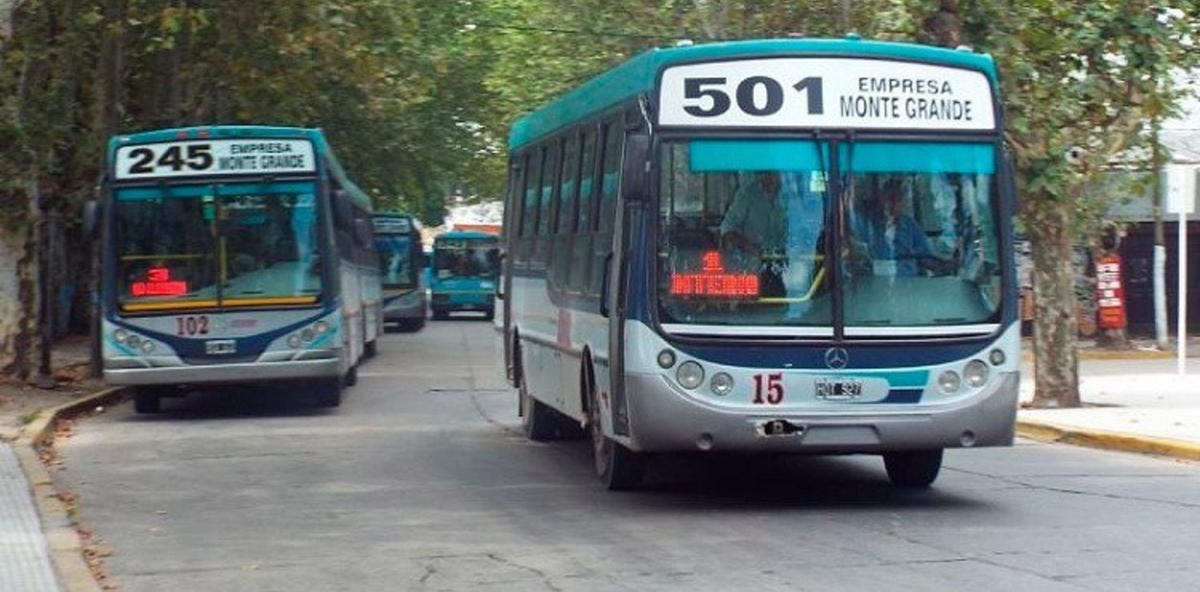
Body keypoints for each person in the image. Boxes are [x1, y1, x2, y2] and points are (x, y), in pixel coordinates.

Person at [853, 177, 951, 277]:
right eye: (890, 198)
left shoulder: (911, 227)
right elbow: (855, 249)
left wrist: (946, 265)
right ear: (881, 199)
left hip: (909, 285)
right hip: (875, 283)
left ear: (902, 202)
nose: (893, 204)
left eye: (898, 200)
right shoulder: (866, 224)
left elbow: (925, 258)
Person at [720, 171, 788, 297]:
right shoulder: (747, 195)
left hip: (787, 270)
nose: (771, 176)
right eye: (767, 172)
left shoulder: (790, 197)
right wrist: (751, 248)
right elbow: (727, 230)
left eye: (776, 172)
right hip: (753, 270)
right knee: (753, 312)